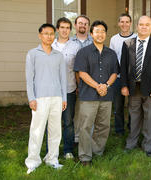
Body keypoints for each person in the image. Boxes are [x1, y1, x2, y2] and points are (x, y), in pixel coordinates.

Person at [74, 20, 119, 166]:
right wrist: (97, 86)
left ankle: (97, 151)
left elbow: (114, 73)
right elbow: (82, 73)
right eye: (97, 31)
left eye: (103, 31)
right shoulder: (83, 52)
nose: (100, 34)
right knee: (86, 126)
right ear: (92, 33)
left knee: (103, 125)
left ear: (106, 34)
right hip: (88, 96)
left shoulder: (111, 54)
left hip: (106, 95)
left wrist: (105, 85)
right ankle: (85, 156)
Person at [25, 23, 67, 174]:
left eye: (51, 34)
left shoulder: (59, 55)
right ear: (40, 35)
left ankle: (52, 159)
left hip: (56, 97)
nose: (49, 36)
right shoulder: (32, 54)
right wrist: (32, 98)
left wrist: (63, 98)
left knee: (55, 131)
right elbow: (29, 79)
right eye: (46, 33)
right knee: (37, 131)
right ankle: (33, 162)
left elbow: (63, 78)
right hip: (39, 98)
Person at [121, 16, 151, 157]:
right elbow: (123, 67)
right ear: (137, 26)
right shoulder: (127, 44)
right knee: (134, 117)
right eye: (141, 24)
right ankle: (131, 143)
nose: (144, 27)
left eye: (147, 25)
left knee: (150, 118)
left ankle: (148, 146)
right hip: (133, 87)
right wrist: (124, 85)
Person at [52, 17, 80, 159]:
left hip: (69, 89)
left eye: (67, 28)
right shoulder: (50, 45)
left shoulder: (75, 46)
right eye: (62, 27)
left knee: (68, 122)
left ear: (71, 30)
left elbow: (78, 70)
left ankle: (68, 150)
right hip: (51, 90)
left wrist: (79, 86)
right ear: (57, 29)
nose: (65, 30)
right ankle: (52, 150)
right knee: (52, 122)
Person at [109, 13, 136, 135]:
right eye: (122, 22)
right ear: (119, 23)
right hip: (118, 77)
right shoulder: (114, 39)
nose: (124, 24)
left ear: (130, 23)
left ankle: (132, 128)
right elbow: (112, 59)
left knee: (133, 105)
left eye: (127, 22)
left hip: (132, 78)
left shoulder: (136, 37)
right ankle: (119, 131)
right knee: (118, 106)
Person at [72, 15, 93, 143]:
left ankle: (88, 137)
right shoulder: (69, 42)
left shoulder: (93, 41)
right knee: (76, 111)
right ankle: (76, 137)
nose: (82, 25)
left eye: (85, 24)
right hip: (72, 81)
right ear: (75, 25)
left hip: (89, 82)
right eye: (80, 23)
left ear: (88, 26)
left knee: (89, 112)